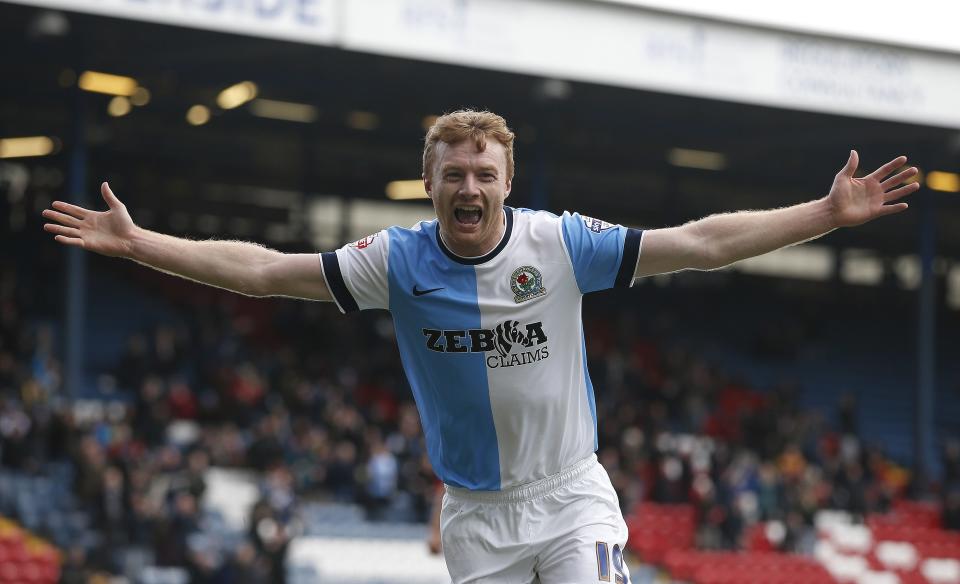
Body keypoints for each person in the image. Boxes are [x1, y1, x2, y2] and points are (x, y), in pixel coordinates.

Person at [42, 109, 919, 583]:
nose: (470, 186)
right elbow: (266, 271)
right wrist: (141, 243)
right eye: (453, 174)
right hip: (476, 517)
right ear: (428, 183)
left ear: (507, 182)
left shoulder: (561, 243)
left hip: (571, 492)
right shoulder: (395, 260)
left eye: (485, 174)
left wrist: (824, 215)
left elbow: (702, 241)